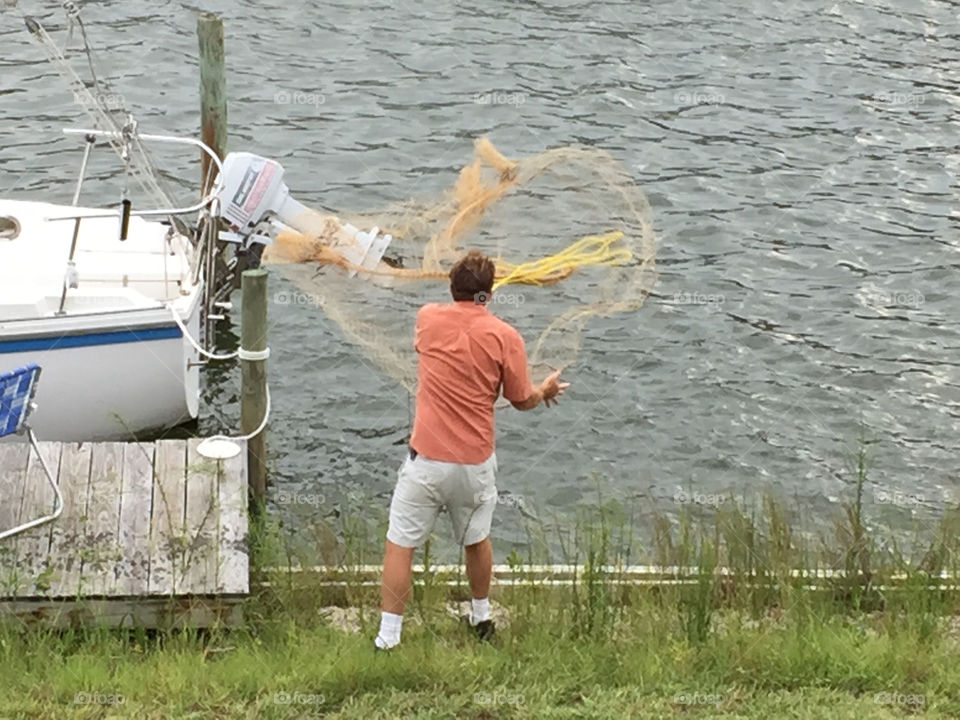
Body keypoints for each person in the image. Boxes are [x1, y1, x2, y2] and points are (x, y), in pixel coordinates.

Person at [375, 249, 570, 650]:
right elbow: (520, 399)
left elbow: (441, 337)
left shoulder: (427, 319)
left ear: (452, 287)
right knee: (476, 540)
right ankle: (481, 618)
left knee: (400, 545)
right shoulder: (505, 336)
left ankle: (388, 637)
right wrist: (544, 391)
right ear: (489, 293)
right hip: (474, 464)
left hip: (425, 461)